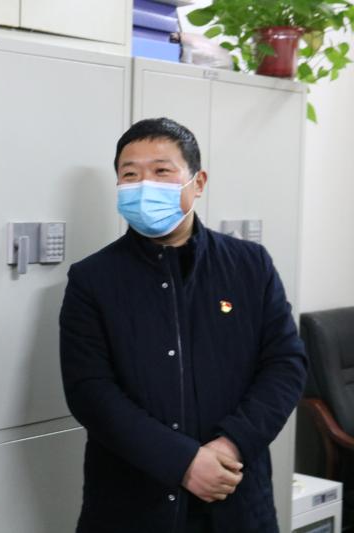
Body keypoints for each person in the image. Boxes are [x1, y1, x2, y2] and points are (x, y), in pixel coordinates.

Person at [59, 117, 307, 533]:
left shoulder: (249, 266)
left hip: (233, 496)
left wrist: (230, 445)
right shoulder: (92, 279)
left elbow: (286, 364)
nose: (144, 185)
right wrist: (184, 462)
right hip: (132, 506)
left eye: (161, 171)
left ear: (198, 182)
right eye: (130, 175)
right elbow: (90, 391)